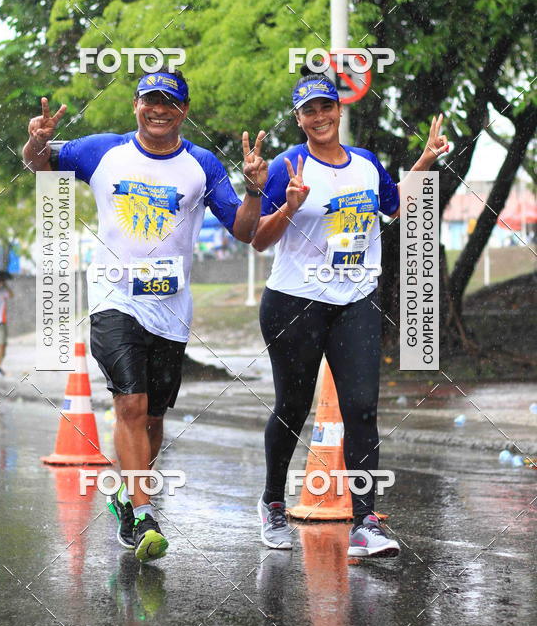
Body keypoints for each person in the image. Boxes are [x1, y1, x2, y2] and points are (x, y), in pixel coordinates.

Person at [22, 67, 267, 562]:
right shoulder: (102, 151)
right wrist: (36, 144)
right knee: (130, 406)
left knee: (153, 415)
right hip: (115, 301)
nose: (158, 110)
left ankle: (129, 501)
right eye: (149, 100)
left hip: (171, 310)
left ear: (184, 110)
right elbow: (40, 166)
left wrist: (256, 189)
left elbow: (243, 231)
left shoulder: (201, 166)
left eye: (169, 102)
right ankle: (143, 513)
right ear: (135, 104)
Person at [252, 72, 448, 558]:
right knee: (292, 408)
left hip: (356, 301)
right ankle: (273, 501)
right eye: (308, 111)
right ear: (298, 119)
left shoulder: (365, 162)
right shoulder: (286, 165)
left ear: (338, 111)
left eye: (325, 107)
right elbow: (258, 239)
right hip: (295, 304)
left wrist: (424, 161)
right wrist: (288, 206)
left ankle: (365, 522)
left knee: (362, 408)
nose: (319, 117)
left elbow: (393, 206)